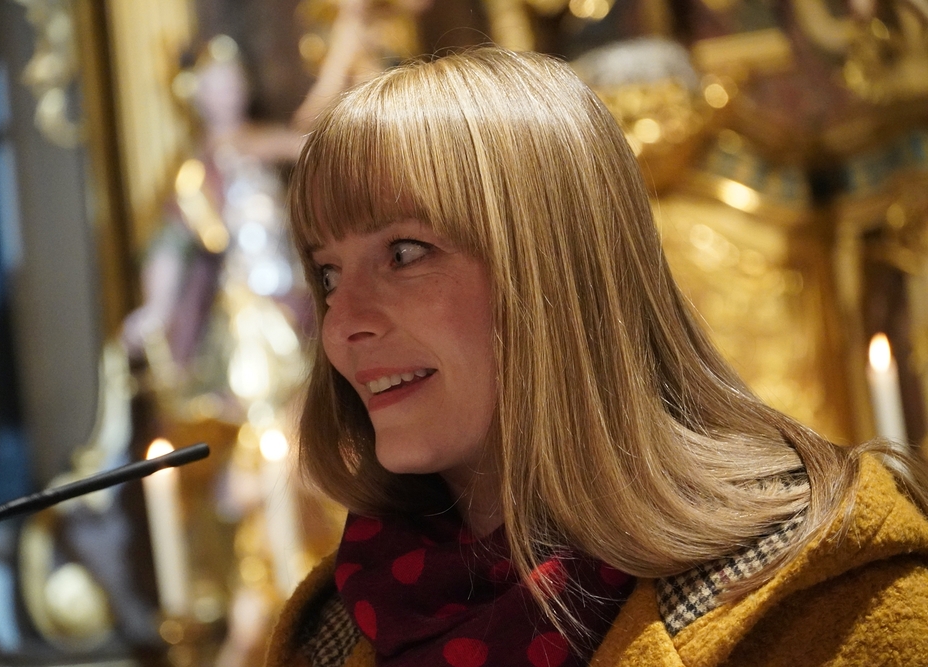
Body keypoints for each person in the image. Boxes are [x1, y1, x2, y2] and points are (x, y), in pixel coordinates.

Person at [264, 47, 928, 667]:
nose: (341, 325)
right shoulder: (332, 632)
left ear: (554, 268)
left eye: (405, 253)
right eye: (328, 274)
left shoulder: (831, 596)